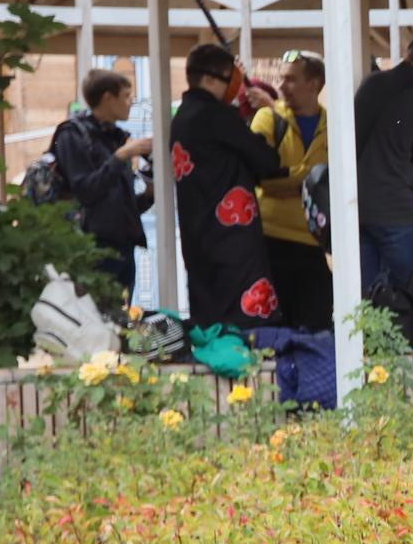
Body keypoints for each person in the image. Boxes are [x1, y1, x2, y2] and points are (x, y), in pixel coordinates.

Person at [168, 42, 285, 330]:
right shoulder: (217, 115)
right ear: (209, 79)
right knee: (245, 322)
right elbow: (267, 160)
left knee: (210, 318)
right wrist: (269, 114)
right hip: (233, 239)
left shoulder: (182, 116)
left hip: (198, 235)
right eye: (228, 80)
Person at [353, 34, 413, 292]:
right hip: (394, 210)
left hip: (355, 205)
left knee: (366, 296)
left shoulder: (370, 84)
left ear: (409, 55)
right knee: (406, 293)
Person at [46, 67, 152, 295]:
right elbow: (86, 191)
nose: (131, 102)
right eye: (126, 96)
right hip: (92, 249)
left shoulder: (114, 137)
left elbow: (119, 206)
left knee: (122, 325)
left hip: (123, 248)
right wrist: (121, 156)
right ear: (107, 97)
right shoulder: (72, 135)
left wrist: (150, 192)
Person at [248, 53, 331, 330]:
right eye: (281, 78)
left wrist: (290, 178)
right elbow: (263, 177)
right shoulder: (268, 118)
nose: (281, 85)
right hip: (271, 238)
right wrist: (310, 178)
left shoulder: (334, 125)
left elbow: (336, 182)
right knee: (275, 324)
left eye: (290, 79)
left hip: (314, 242)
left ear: (314, 84)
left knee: (318, 321)